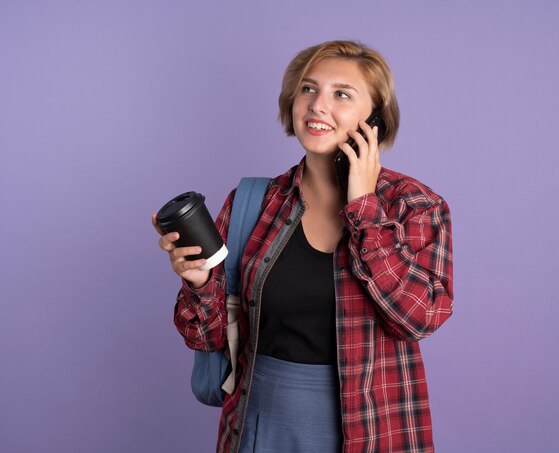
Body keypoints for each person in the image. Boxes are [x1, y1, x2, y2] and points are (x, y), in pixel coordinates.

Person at [152, 40, 453, 453]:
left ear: (375, 120)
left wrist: (364, 208)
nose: (317, 105)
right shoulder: (251, 203)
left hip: (375, 428)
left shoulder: (414, 206)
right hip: (260, 427)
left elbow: (419, 318)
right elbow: (205, 337)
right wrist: (200, 283)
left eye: (341, 94)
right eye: (308, 89)